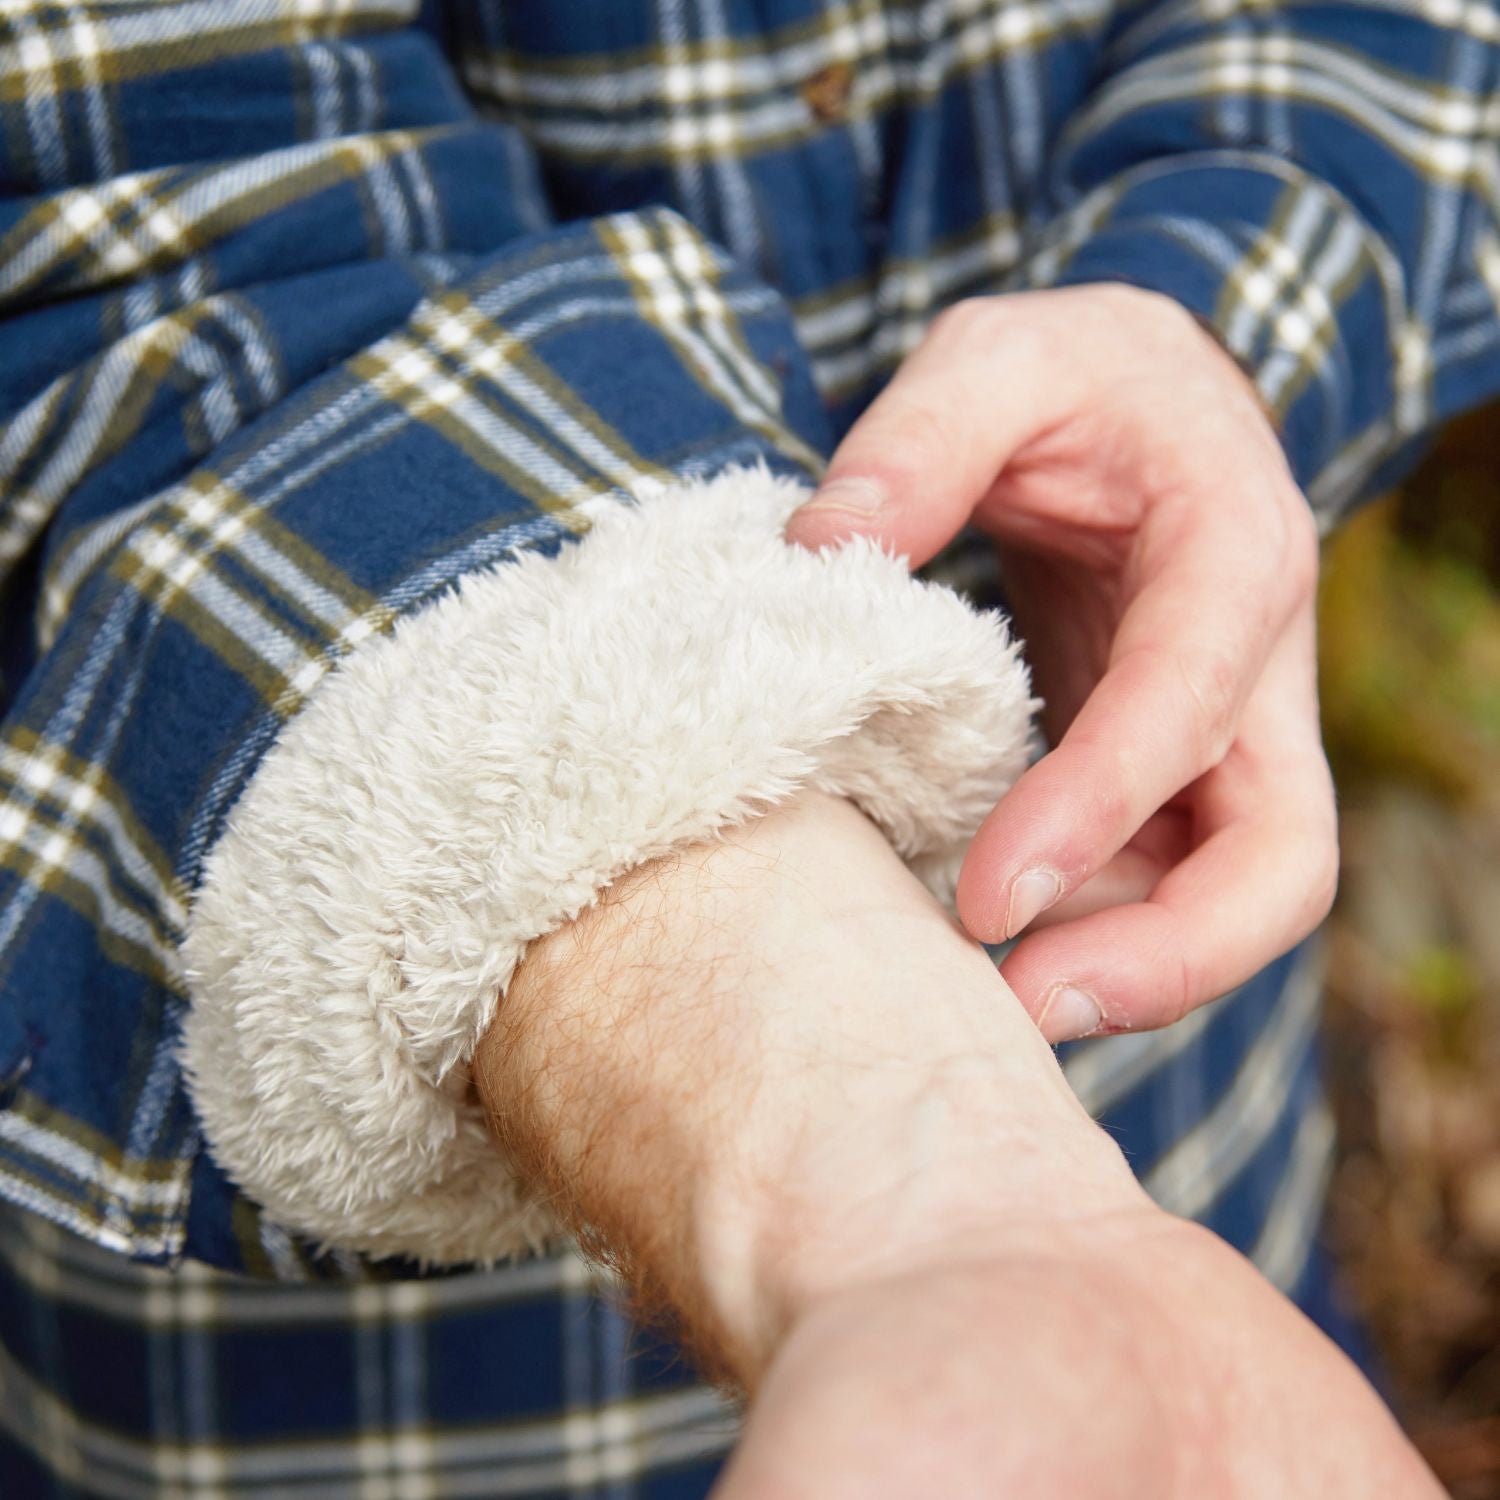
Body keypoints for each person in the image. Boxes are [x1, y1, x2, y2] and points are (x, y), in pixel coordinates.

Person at [0, 0, 1493, 1494]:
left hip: (1194, 1140)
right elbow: (128, 217)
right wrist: (942, 1201)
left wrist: (1211, 306)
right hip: (359, 1396)